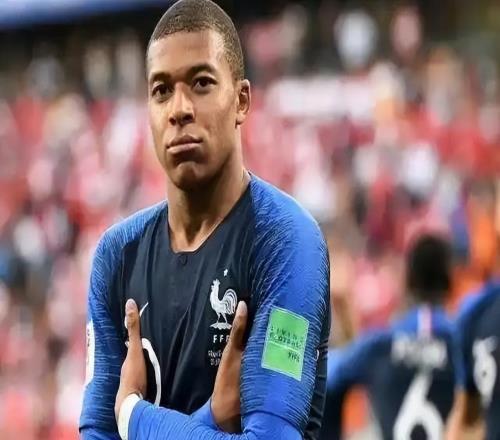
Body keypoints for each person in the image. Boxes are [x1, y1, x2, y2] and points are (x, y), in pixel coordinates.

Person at [79, 1, 331, 439]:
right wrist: (210, 420)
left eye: (200, 83)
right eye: (161, 90)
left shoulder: (286, 241)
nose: (178, 108)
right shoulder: (117, 256)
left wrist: (133, 415)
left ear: (241, 100)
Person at [320, 234, 457, 440]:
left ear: (408, 280)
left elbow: (325, 375)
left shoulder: (380, 345)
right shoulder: (462, 344)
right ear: (450, 280)